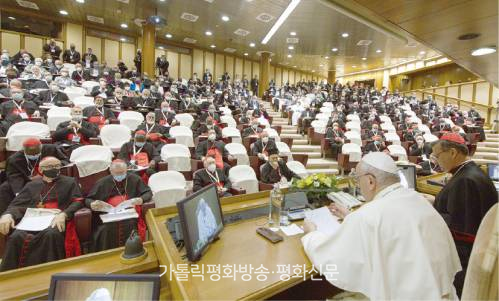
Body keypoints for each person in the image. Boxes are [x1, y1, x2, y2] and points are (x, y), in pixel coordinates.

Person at [302, 152, 461, 300]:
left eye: (358, 180)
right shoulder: (417, 199)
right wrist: (351, 216)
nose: (358, 185)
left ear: (370, 181)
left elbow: (332, 259)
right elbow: (392, 228)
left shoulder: (367, 216)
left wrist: (311, 234)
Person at [431, 133, 498, 297]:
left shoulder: (464, 181)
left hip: (464, 263)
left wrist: (429, 212)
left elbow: (461, 230)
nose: (436, 162)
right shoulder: (471, 172)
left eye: (437, 156)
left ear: (452, 153)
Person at [0, 157, 83, 271]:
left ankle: (48, 272)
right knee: (16, 237)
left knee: (50, 235)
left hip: (55, 219)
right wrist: (8, 215)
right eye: (49, 167)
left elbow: (78, 201)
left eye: (57, 166)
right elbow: (16, 204)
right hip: (32, 219)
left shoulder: (69, 182)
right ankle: (12, 274)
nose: (54, 169)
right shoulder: (32, 185)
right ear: (41, 169)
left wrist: (64, 214)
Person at [85, 159, 152, 251]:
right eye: (117, 173)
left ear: (126, 170)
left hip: (130, 214)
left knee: (131, 224)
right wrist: (92, 204)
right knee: (106, 229)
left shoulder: (134, 179)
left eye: (122, 172)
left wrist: (141, 199)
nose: (120, 175)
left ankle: (133, 251)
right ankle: (107, 254)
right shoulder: (102, 182)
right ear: (111, 171)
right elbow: (88, 199)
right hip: (108, 216)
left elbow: (148, 193)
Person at [0, 138, 67, 214]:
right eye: (30, 154)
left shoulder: (50, 149)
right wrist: (19, 193)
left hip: (50, 177)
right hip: (26, 181)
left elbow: (65, 161)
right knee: (4, 188)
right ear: (24, 150)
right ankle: (6, 214)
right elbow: (14, 176)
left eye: (36, 154)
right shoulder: (14, 159)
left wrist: (50, 169)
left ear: (41, 147)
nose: (34, 156)